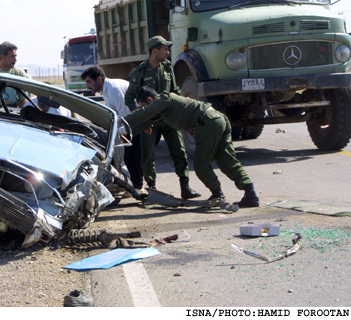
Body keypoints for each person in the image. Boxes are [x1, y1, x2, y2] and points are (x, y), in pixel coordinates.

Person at [125, 86, 260, 208]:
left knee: (201, 166)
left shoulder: (165, 98)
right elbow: (146, 121)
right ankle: (251, 194)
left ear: (150, 99)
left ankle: (218, 194)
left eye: (144, 105)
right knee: (227, 161)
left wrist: (120, 120)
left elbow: (144, 114)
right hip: (217, 119)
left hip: (207, 123)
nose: (145, 109)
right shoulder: (164, 108)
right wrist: (125, 131)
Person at [124, 35, 200, 200]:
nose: (167, 52)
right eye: (165, 49)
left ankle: (185, 187)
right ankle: (152, 189)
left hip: (169, 118)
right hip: (150, 121)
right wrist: (141, 118)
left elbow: (175, 91)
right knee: (147, 155)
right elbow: (129, 98)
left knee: (179, 150)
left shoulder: (167, 68)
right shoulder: (140, 72)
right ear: (155, 51)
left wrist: (184, 113)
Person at [81, 66, 143, 191]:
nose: (87, 86)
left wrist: (119, 133)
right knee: (124, 155)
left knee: (133, 155)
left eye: (89, 82)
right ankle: (130, 185)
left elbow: (126, 116)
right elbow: (113, 115)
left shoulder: (114, 89)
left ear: (99, 79)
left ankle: (138, 187)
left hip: (137, 122)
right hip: (128, 123)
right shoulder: (106, 90)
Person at [0, 41, 31, 108]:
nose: (15, 60)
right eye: (12, 57)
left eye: (15, 56)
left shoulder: (19, 74)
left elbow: (23, 100)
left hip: (12, 111)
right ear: (2, 57)